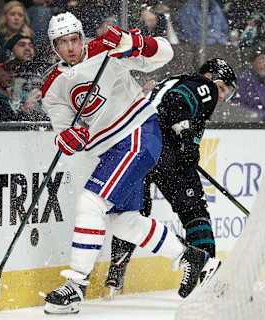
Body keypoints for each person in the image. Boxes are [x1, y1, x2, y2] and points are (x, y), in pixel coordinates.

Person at [41, 12, 212, 314]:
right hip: (111, 150)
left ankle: (76, 284)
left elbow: (165, 53)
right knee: (122, 221)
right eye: (62, 42)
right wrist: (68, 139)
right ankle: (192, 257)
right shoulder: (53, 87)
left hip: (137, 133)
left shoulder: (106, 49)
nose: (70, 47)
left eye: (74, 39)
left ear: (82, 37)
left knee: (91, 203)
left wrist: (133, 42)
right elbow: (65, 132)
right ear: (53, 46)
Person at [104, 57, 237, 295]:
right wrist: (186, 139)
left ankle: (116, 272)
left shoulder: (172, 81)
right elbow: (177, 102)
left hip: (137, 147)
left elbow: (166, 103)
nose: (222, 97)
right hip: (163, 149)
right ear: (213, 79)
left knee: (135, 212)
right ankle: (209, 272)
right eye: (224, 89)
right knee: (194, 210)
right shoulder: (203, 85)